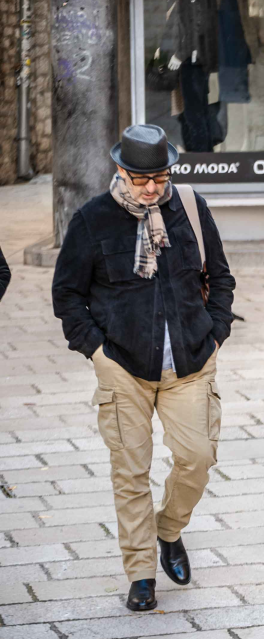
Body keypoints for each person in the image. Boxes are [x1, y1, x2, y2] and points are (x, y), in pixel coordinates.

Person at [52, 124, 236, 612]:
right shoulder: (93, 220)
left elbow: (220, 276)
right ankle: (140, 574)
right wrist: (96, 351)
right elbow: (67, 294)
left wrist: (216, 331)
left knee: (197, 458)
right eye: (140, 179)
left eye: (159, 177)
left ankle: (168, 529)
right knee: (130, 473)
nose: (151, 188)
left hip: (192, 361)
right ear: (121, 172)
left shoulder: (190, 209)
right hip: (123, 366)